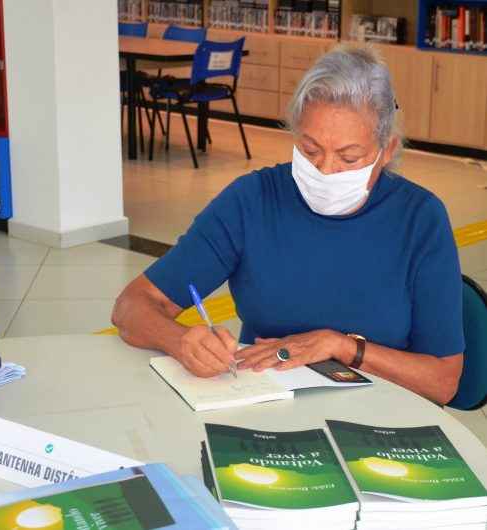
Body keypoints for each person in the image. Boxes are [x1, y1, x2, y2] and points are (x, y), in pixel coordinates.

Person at [112, 44, 464, 406]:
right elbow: (131, 308)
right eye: (311, 150)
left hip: (382, 417)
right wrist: (180, 340)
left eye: (349, 157)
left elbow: (442, 381)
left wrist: (340, 346)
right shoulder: (252, 200)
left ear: (386, 151)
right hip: (268, 409)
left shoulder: (420, 218)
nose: (325, 170)